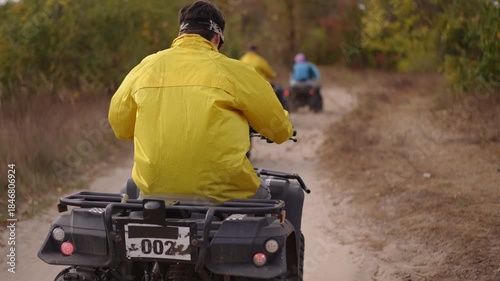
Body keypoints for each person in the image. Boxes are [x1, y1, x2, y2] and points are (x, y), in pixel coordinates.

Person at [108, 1, 293, 202]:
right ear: (217, 38)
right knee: (282, 197)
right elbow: (280, 131)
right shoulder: (236, 71)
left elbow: (121, 128)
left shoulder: (146, 67)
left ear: (181, 33)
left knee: (128, 195)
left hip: (153, 189)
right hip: (225, 190)